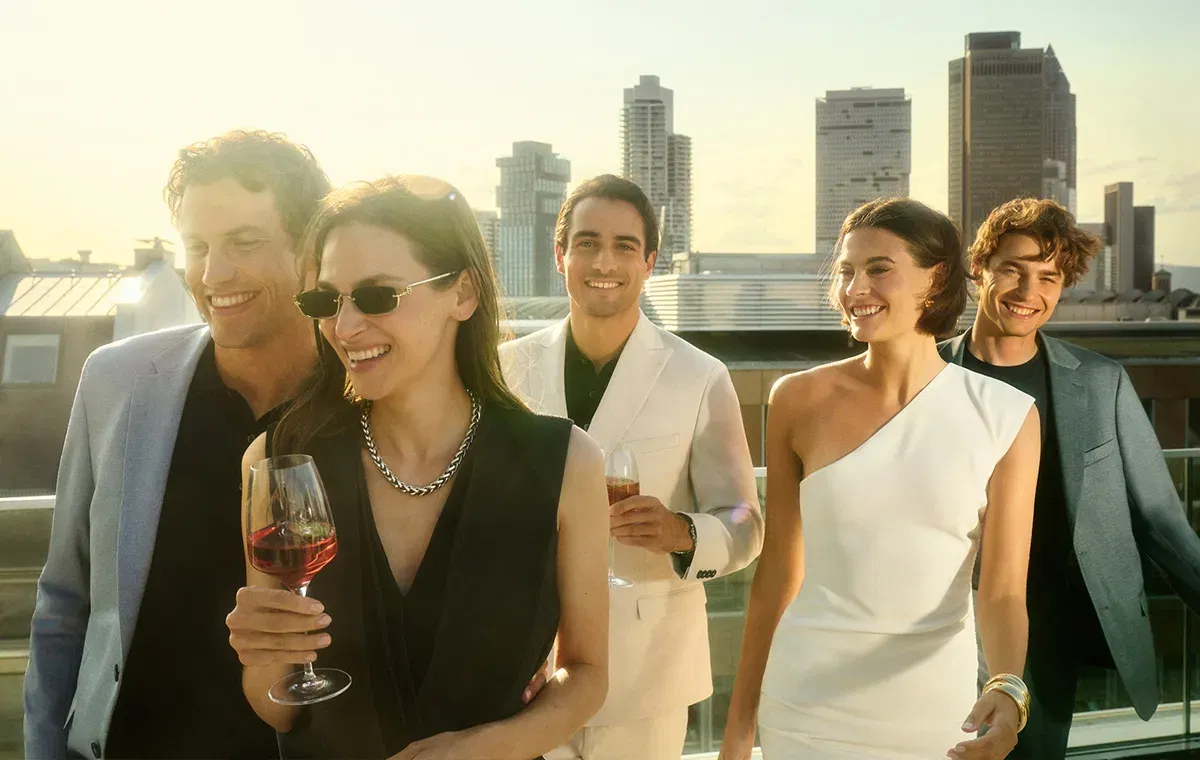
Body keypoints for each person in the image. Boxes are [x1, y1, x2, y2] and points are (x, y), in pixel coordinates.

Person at [224, 175, 610, 759]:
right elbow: (280, 708)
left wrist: (488, 746)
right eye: (326, 300)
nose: (345, 327)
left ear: (463, 294)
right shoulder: (278, 463)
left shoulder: (565, 463)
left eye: (378, 295)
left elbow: (586, 672)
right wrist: (262, 656)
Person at [23, 130, 330, 760]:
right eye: (197, 247)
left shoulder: (366, 401)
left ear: (310, 254)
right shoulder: (116, 382)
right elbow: (65, 603)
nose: (213, 275)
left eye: (243, 244)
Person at [720, 197, 1043, 760]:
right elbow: (777, 575)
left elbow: (1003, 588)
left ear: (935, 278)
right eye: (846, 271)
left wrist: (1008, 688)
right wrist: (738, 729)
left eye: (878, 269)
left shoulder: (1008, 415)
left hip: (934, 707)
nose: (854, 289)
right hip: (805, 704)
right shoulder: (797, 399)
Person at [500, 174, 763, 760]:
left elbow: (747, 524)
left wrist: (683, 532)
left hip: (647, 675)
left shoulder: (700, 376)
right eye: (588, 242)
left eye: (624, 246)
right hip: (522, 669)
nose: (605, 261)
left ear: (648, 262)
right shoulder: (503, 370)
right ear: (560, 253)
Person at [939, 197, 1200, 759]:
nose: (1028, 291)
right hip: (945, 621)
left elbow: (1159, 519)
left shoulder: (1101, 382)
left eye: (1048, 277)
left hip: (1051, 625)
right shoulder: (928, 376)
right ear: (979, 268)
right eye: (1013, 268)